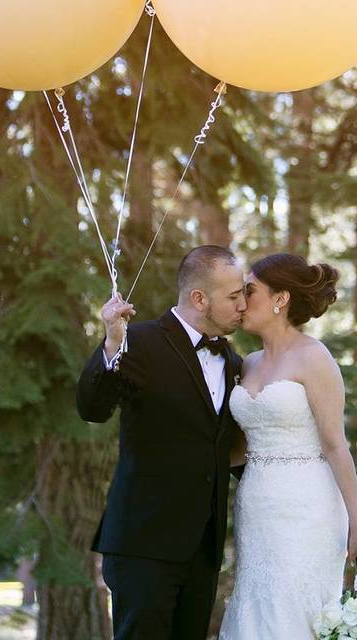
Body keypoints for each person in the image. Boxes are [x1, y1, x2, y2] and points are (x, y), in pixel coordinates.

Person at [76, 245, 248, 640]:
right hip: (144, 544)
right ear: (199, 298)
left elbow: (226, 450)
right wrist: (111, 344)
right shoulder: (138, 342)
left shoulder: (234, 362)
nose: (243, 305)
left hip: (203, 550)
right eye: (234, 296)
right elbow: (93, 408)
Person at [218, 253, 357, 639]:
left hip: (307, 508)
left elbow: (336, 445)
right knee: (256, 608)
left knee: (294, 613)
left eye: (250, 290)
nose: (242, 301)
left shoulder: (314, 358)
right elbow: (240, 446)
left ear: (281, 299)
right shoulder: (249, 364)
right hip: (256, 506)